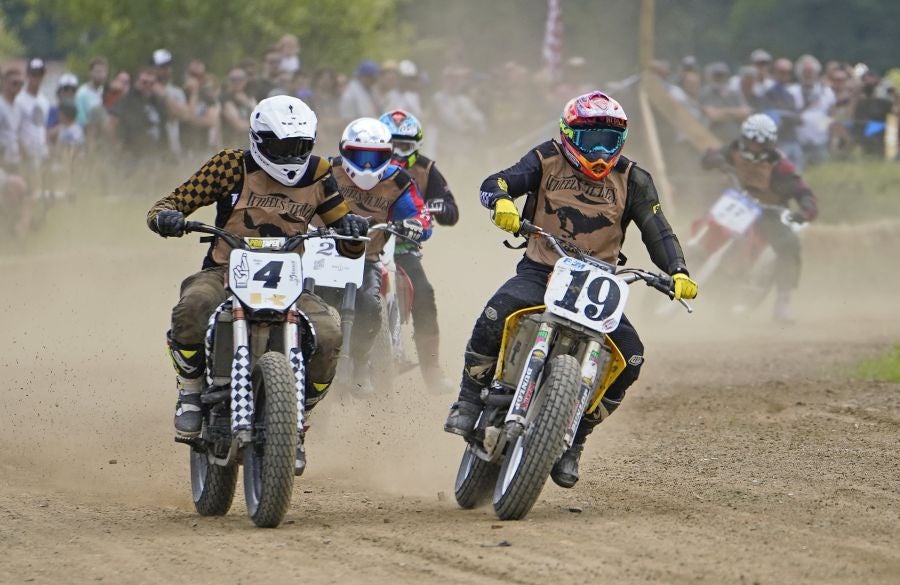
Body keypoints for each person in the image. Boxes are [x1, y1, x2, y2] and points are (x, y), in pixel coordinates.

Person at [443, 91, 698, 488]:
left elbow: (657, 230)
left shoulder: (634, 179)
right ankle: (469, 397)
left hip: (600, 282)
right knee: (498, 310)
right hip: (542, 268)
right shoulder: (545, 159)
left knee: (631, 357)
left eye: (608, 142)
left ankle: (575, 440)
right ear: (567, 134)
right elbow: (495, 181)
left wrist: (677, 270)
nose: (599, 151)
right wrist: (502, 203)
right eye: (589, 139)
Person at [146, 95, 369, 453]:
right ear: (261, 140)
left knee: (329, 334)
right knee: (193, 306)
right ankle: (189, 391)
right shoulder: (230, 166)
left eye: (300, 146)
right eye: (282, 147)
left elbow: (344, 235)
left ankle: (300, 413)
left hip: (291, 281)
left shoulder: (320, 173)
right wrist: (166, 219)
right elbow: (168, 203)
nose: (291, 156)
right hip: (224, 271)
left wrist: (354, 231)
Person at [328, 117, 432, 382]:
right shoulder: (325, 171)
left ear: (388, 155)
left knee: (369, 306)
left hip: (366, 257)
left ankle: (361, 361)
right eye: (359, 155)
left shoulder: (399, 180)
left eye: (374, 157)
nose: (365, 165)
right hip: (320, 255)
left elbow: (422, 214)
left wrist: (415, 225)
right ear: (344, 150)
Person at [702, 113, 817, 322]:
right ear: (744, 137)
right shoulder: (733, 150)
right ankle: (693, 257)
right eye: (751, 140)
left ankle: (783, 302)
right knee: (704, 221)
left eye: (761, 143)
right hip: (736, 203)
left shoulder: (781, 166)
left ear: (770, 144)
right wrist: (713, 158)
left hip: (767, 212)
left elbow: (802, 191)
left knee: (789, 244)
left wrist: (806, 210)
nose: (754, 146)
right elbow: (709, 157)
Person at [379, 109, 459, 391]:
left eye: (404, 146)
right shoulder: (364, 163)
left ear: (416, 147)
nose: (396, 152)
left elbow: (451, 212)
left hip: (403, 248)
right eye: (390, 144)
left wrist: (435, 207)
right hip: (362, 245)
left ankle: (432, 368)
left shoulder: (425, 169)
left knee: (424, 294)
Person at [15, 58, 51, 191]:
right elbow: (15, 130)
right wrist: (23, 152)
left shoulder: (44, 100)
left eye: (39, 74)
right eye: (33, 74)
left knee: (43, 190)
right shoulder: (19, 100)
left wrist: (47, 149)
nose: (36, 78)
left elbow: (43, 127)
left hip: (41, 152)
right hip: (25, 155)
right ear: (27, 75)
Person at [74, 57, 107, 128]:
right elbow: (81, 121)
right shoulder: (82, 94)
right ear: (90, 73)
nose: (101, 75)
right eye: (98, 72)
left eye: (103, 72)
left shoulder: (103, 90)